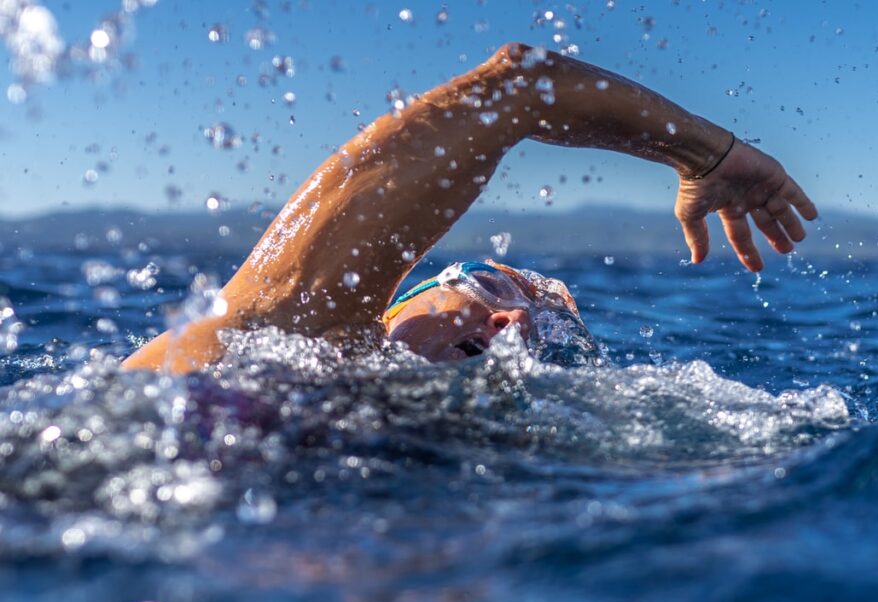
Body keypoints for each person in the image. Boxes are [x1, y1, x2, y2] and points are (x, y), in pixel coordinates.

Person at [122, 43, 819, 374]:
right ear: (397, 303)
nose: (515, 319)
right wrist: (707, 154)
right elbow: (515, 86)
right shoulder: (280, 331)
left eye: (544, 334)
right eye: (484, 285)